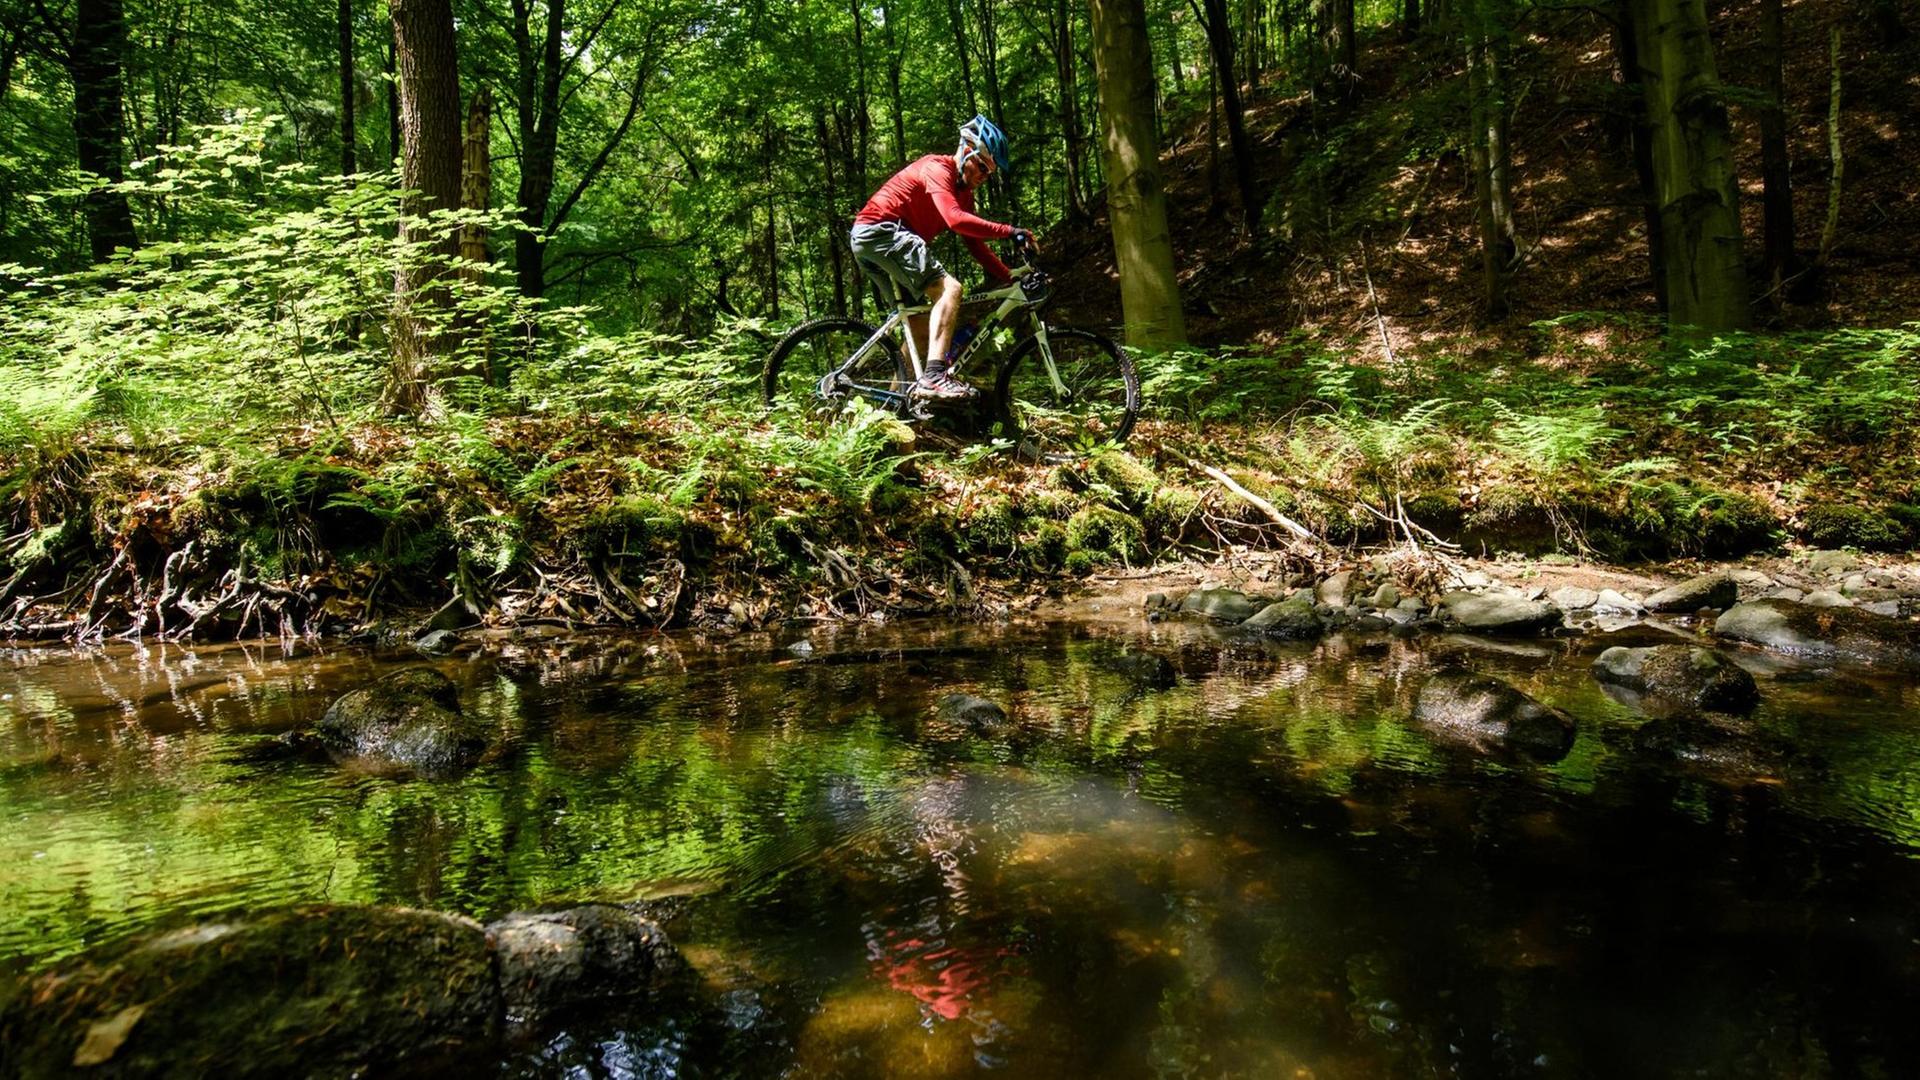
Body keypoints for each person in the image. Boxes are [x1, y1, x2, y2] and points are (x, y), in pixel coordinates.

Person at [848, 115, 1040, 400]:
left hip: (871, 239)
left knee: (920, 330)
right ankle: (934, 378)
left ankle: (892, 408)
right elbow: (954, 220)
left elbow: (974, 243)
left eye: (989, 173)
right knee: (951, 290)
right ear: (965, 151)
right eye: (981, 166)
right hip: (883, 231)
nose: (983, 177)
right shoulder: (938, 169)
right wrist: (1011, 232)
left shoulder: (965, 195)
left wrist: (1007, 274)